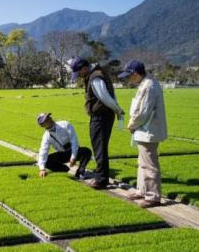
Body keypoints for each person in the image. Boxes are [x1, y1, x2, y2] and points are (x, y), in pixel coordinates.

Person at [67, 57, 124, 189]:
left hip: (101, 117)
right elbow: (111, 94)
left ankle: (101, 179)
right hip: (103, 116)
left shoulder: (95, 77)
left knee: (99, 148)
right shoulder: (98, 73)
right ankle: (102, 176)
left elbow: (104, 97)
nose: (79, 76)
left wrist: (117, 109)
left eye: (79, 72)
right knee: (100, 147)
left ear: (84, 68)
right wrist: (117, 108)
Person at [118, 60, 167, 208]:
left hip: (148, 130)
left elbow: (142, 113)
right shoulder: (146, 83)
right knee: (142, 163)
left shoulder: (149, 86)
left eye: (129, 76)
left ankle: (153, 196)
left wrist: (131, 124)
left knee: (149, 164)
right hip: (144, 130)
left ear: (136, 74)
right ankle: (142, 190)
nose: (128, 79)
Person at [36, 113, 92, 179]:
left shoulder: (65, 124)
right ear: (42, 125)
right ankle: (64, 169)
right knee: (47, 161)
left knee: (87, 151)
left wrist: (73, 157)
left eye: (49, 117)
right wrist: (42, 169)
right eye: (46, 120)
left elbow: (74, 141)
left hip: (74, 150)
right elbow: (43, 151)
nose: (49, 119)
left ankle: (80, 172)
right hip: (62, 154)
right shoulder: (46, 136)